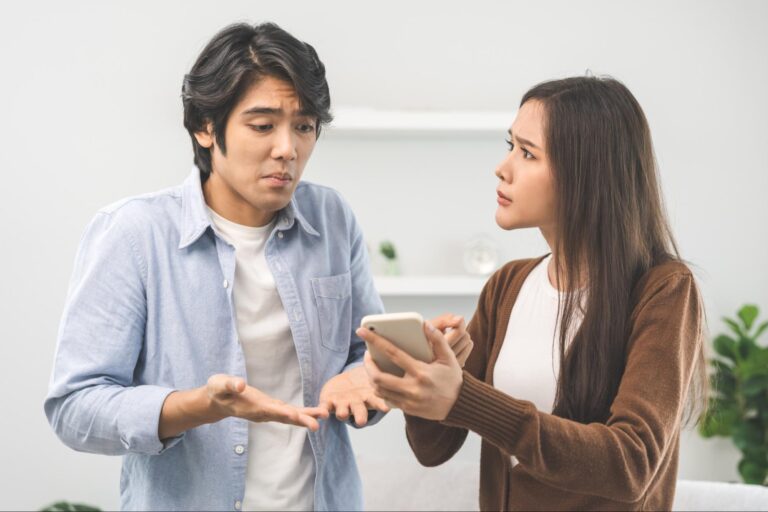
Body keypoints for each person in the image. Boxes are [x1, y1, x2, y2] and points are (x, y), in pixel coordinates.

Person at [44, 22, 390, 511]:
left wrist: (369, 378)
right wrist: (197, 407)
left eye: (305, 126)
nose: (287, 148)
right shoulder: (133, 234)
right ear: (205, 127)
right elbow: (74, 407)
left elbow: (367, 354)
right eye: (263, 125)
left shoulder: (332, 220)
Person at [359, 76, 708, 511]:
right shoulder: (507, 285)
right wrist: (427, 382)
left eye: (527, 153)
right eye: (510, 146)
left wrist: (463, 396)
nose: (503, 168)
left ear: (587, 172)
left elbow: (631, 464)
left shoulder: (663, 290)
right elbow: (434, 450)